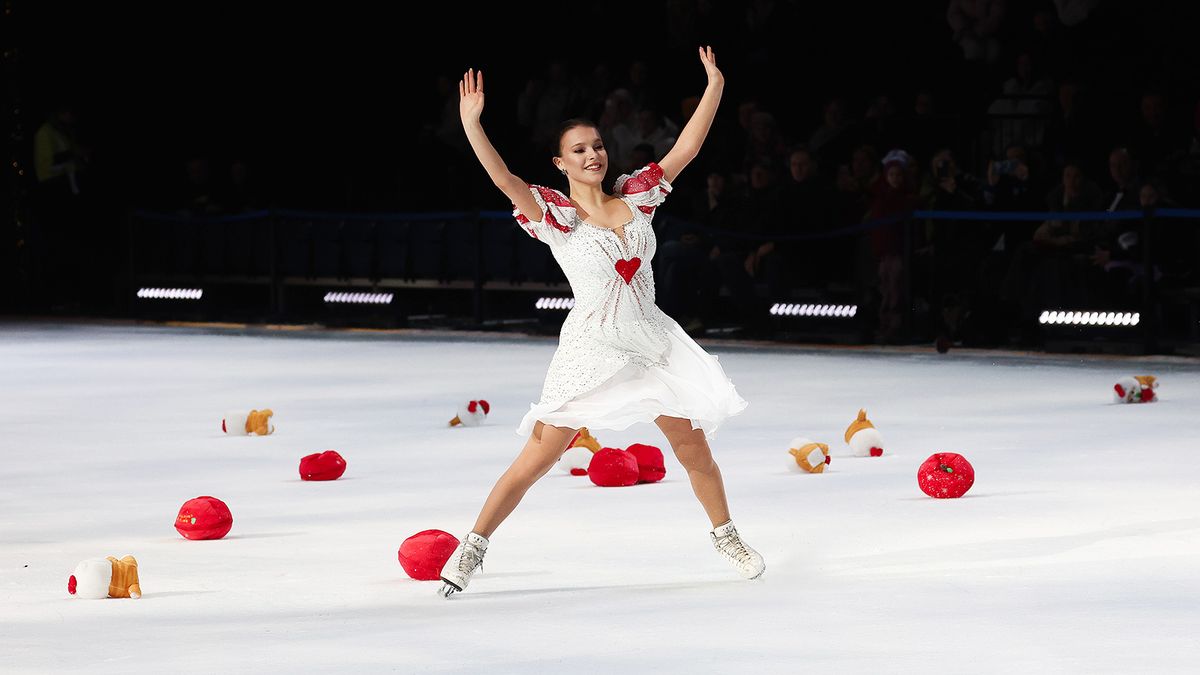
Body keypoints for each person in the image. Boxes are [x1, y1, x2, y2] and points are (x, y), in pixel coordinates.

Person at [440, 47, 759, 599]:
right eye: (579, 150)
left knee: (694, 448)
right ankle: (472, 546)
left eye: (598, 146)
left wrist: (715, 86)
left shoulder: (638, 196)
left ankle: (727, 535)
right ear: (560, 163)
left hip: (652, 343)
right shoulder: (554, 214)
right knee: (539, 456)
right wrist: (472, 124)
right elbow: (504, 178)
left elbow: (686, 148)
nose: (593, 155)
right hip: (593, 347)